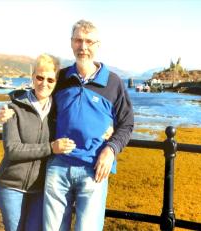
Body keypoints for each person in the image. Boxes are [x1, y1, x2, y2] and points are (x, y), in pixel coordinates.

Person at [43, 19, 134, 231]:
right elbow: (38, 97)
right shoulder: (61, 78)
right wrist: (13, 108)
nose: (83, 47)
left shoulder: (113, 83)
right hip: (58, 166)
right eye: (78, 41)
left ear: (98, 45)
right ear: (71, 43)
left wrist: (111, 150)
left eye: (89, 42)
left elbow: (127, 123)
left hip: (94, 169)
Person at [0, 54, 76, 231]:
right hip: (11, 186)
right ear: (32, 77)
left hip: (40, 189)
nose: (44, 83)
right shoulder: (13, 108)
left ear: (56, 82)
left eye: (50, 79)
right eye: (39, 77)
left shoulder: (58, 111)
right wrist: (51, 148)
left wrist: (109, 128)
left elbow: (80, 124)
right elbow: (12, 150)